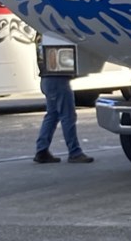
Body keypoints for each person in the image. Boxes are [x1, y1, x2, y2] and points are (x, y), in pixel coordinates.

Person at [33, 32, 94, 164]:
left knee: (52, 115)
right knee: (68, 116)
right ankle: (74, 152)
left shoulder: (41, 33)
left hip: (46, 78)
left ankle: (42, 150)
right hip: (58, 78)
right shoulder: (53, 32)